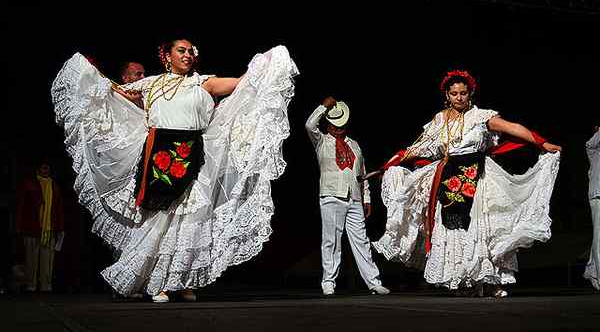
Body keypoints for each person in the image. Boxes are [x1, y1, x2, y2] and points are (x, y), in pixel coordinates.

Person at [51, 38, 298, 303]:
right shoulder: (151, 84)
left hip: (192, 156)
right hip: (158, 157)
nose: (188, 54)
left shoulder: (204, 82)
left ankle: (180, 281)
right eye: (181, 50)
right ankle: (157, 283)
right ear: (166, 56)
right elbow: (115, 92)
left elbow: (243, 84)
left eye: (191, 51)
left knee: (187, 223)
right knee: (161, 221)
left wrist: (267, 62)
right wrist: (90, 72)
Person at [362, 70, 561, 298]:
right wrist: (389, 165)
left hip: (479, 176)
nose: (459, 97)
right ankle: (464, 281)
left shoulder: (481, 117)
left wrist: (542, 143)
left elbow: (512, 128)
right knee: (454, 229)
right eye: (454, 93)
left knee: (484, 227)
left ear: (470, 94)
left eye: (463, 93)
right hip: (448, 178)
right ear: (447, 95)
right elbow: (417, 148)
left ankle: (490, 280)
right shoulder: (439, 121)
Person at [306, 96, 390, 295]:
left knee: (361, 240)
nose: (338, 129)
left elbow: (361, 174)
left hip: (354, 198)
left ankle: (373, 282)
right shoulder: (322, 141)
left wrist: (367, 198)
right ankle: (328, 281)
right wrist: (322, 107)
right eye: (334, 126)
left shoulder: (354, 144)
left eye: (341, 126)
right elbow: (309, 125)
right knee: (331, 240)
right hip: (331, 195)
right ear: (328, 125)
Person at [16, 159, 65, 293]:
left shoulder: (54, 186)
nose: (45, 171)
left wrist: (60, 228)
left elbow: (58, 208)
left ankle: (46, 286)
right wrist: (19, 226)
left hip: (49, 228)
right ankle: (31, 285)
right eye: (43, 168)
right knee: (31, 259)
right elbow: (22, 206)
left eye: (47, 168)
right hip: (32, 227)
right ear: (38, 169)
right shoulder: (29, 184)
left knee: (47, 260)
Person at [584, 126, 600, 289]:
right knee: (599, 237)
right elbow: (590, 144)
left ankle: (592, 270)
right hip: (598, 194)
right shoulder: (595, 151)